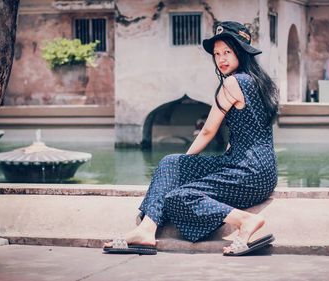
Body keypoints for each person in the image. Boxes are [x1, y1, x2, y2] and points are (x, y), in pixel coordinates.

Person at [103, 21, 279, 256]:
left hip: (247, 172)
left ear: (242, 52)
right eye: (217, 54)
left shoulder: (233, 82)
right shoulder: (260, 82)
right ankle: (147, 229)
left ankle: (245, 220)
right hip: (262, 171)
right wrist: (179, 167)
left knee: (179, 195)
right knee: (169, 162)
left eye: (227, 51)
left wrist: (184, 166)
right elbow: (247, 131)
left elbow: (207, 131)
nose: (221, 59)